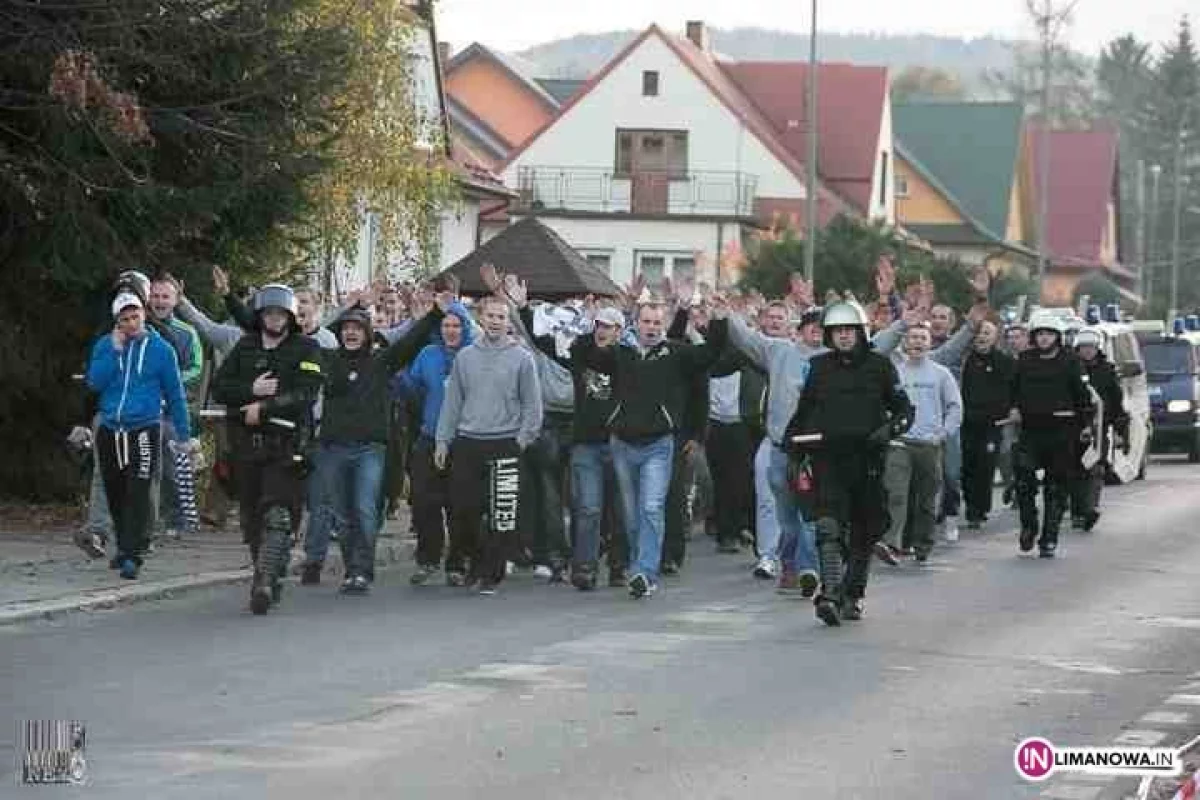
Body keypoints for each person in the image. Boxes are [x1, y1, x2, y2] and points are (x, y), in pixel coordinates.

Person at [573, 299, 728, 598]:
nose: (652, 328)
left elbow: (709, 354)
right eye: (647, 322)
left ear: (664, 325)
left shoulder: (675, 353)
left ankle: (645, 571)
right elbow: (586, 358)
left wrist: (719, 321)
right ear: (636, 324)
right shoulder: (620, 353)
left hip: (658, 444)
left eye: (657, 322)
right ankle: (637, 565)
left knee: (651, 507)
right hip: (622, 444)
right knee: (631, 515)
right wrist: (592, 326)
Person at [299, 298, 448, 593]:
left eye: (357, 328)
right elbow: (311, 335)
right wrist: (342, 309)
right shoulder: (327, 359)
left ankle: (361, 572)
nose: (350, 333)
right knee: (341, 515)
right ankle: (351, 568)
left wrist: (435, 315)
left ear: (367, 334)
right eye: (346, 329)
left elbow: (410, 344)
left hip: (369, 449)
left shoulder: (381, 361)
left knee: (365, 509)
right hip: (332, 448)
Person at [785, 300, 914, 626]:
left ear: (860, 332)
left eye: (849, 330)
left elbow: (904, 410)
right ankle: (829, 594)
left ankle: (852, 594)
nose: (843, 336)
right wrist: (792, 441)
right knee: (827, 525)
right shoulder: (818, 367)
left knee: (864, 531)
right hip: (828, 456)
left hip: (868, 460)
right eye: (837, 331)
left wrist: (887, 431)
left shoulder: (880, 366)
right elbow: (805, 410)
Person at [213, 285, 325, 614]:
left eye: (280, 314)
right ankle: (267, 575)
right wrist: (251, 390)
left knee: (278, 514)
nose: (274, 319)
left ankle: (264, 579)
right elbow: (221, 387)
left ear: (290, 317)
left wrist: (267, 407)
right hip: (245, 445)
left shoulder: (307, 348)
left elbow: (308, 392)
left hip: (286, 444)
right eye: (269, 313)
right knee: (251, 519)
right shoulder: (245, 346)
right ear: (261, 316)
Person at [434, 296, 543, 595]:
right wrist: (443, 440)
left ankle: (490, 574)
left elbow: (533, 406)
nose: (496, 321)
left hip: (505, 442)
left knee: (501, 516)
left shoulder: (522, 358)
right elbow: (452, 402)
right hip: (469, 442)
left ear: (508, 321)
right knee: (464, 510)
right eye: (491, 316)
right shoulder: (465, 357)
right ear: (480, 318)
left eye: (502, 317)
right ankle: (474, 562)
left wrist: (522, 440)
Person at [85, 292, 193, 579]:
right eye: (125, 319)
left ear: (144, 314)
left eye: (135, 317)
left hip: (144, 427)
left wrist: (184, 434)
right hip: (111, 428)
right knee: (116, 491)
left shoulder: (161, 350)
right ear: (117, 321)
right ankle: (123, 546)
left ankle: (133, 554)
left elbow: (175, 394)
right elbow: (95, 382)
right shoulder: (105, 346)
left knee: (138, 490)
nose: (131, 323)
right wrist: (114, 351)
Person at [397, 301, 475, 586]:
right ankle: (427, 558)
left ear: (465, 328)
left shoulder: (473, 355)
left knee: (459, 505)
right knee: (424, 502)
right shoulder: (428, 354)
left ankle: (457, 563)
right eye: (446, 325)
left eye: (456, 325)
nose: (451, 331)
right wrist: (400, 377)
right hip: (429, 436)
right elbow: (414, 389)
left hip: (463, 439)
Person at [1007, 312, 1093, 558]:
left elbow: (1082, 394)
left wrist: (1085, 423)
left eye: (1049, 334)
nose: (1044, 339)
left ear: (1058, 337)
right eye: (1040, 334)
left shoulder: (1071, 361)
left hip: (1062, 431)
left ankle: (1049, 537)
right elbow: (1012, 389)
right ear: (1034, 336)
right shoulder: (1024, 360)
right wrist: (1013, 409)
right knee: (1023, 480)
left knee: (1056, 488)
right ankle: (1029, 526)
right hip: (1031, 430)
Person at [878, 323, 961, 564]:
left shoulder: (941, 374)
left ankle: (922, 543)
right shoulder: (894, 372)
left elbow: (955, 406)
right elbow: (882, 404)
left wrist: (944, 433)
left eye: (922, 338)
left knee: (926, 499)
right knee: (896, 494)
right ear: (904, 342)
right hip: (900, 443)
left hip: (929, 444)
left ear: (930, 342)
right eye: (912, 337)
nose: (917, 342)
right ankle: (891, 543)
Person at [1070, 327, 1129, 532]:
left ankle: (1090, 509)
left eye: (1091, 347)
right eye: (1084, 347)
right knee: (1074, 470)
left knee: (1096, 468)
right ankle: (1077, 510)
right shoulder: (1070, 368)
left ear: (1098, 348)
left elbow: (1116, 401)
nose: (1087, 351)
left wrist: (1121, 430)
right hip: (1072, 427)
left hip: (1099, 427)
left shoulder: (1107, 371)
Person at [960, 319, 1015, 529]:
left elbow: (1015, 388)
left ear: (995, 337)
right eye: (979, 332)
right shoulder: (965, 360)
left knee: (985, 466)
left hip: (993, 424)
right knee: (966, 466)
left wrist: (1012, 409)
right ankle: (969, 502)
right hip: (965, 422)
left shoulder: (1005, 362)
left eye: (987, 333)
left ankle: (978, 510)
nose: (982, 337)